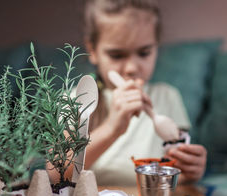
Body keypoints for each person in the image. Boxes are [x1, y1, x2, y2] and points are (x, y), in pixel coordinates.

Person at [50, 0, 207, 186]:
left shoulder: (167, 97)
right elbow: (56, 175)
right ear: (92, 50)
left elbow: (176, 175)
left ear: (156, 47)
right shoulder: (76, 100)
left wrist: (190, 171)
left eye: (144, 53)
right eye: (117, 55)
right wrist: (112, 128)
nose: (132, 68)